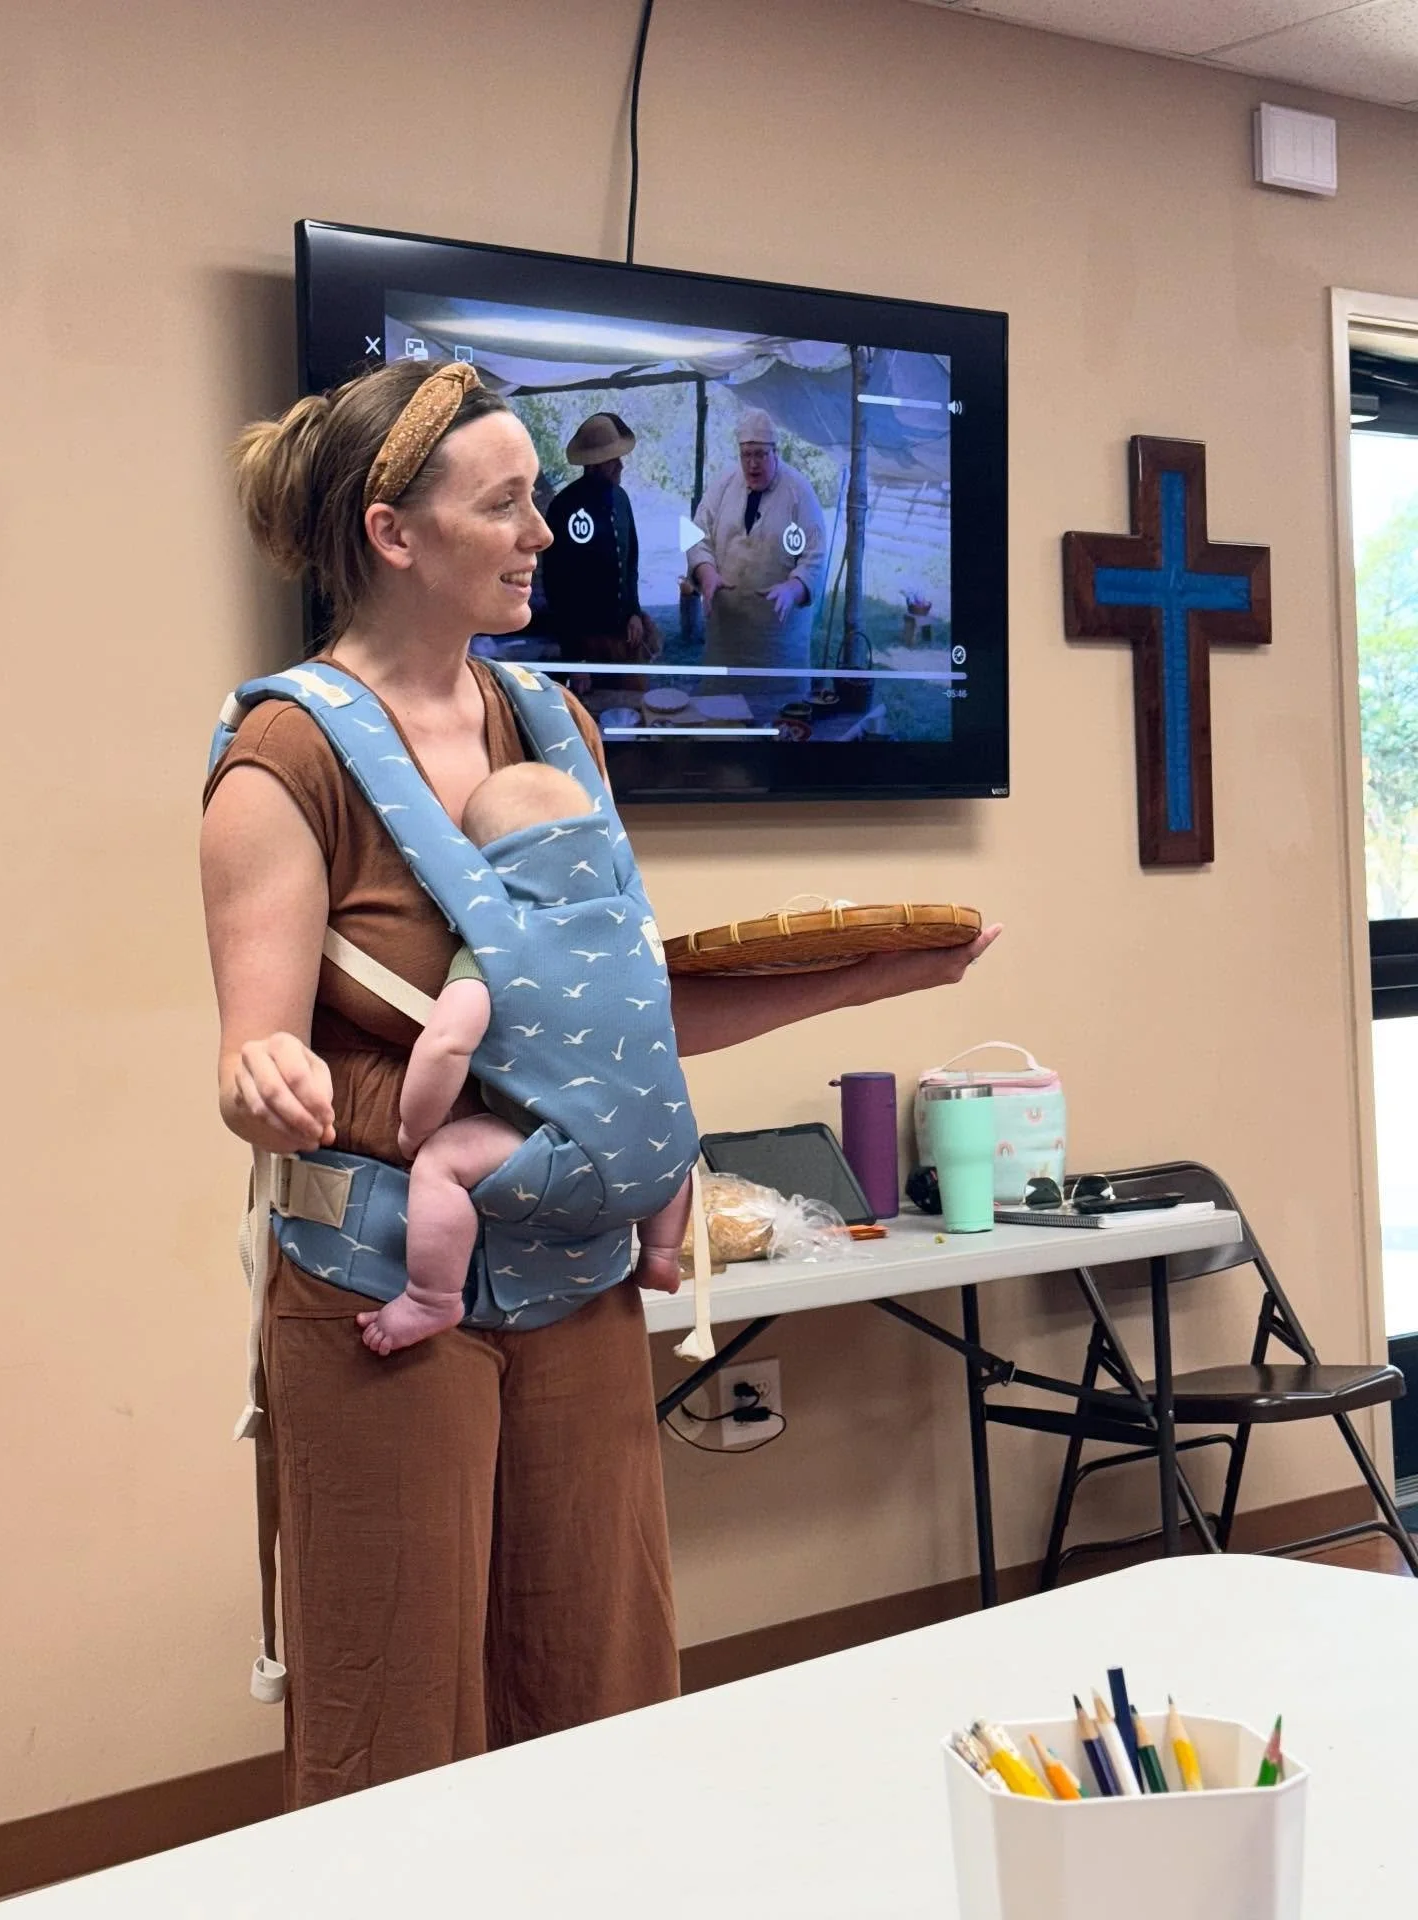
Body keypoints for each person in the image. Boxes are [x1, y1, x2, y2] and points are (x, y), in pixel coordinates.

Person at [201, 356, 1000, 1809]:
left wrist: (872, 982)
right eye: (507, 504)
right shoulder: (284, 758)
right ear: (394, 533)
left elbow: (611, 1029)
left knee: (603, 1692)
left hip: (570, 1276)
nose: (544, 533)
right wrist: (262, 1069)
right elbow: (261, 1062)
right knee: (398, 1727)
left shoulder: (555, 730)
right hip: (387, 1292)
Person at [359, 760, 692, 1358]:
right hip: (662, 1163)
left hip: (570, 1163)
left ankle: (432, 1298)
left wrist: (415, 1125)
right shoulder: (635, 926)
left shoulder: (500, 941)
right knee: (668, 1127)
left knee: (442, 1164)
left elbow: (447, 1043)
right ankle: (663, 1255)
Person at [686, 407, 828, 676]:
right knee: (721, 713)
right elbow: (695, 535)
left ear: (776, 453)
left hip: (779, 647)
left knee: (781, 716)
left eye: (761, 454)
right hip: (726, 644)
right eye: (746, 455)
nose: (753, 464)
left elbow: (815, 557)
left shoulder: (800, 492)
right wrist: (706, 574)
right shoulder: (723, 484)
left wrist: (792, 589)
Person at [541, 410, 659, 669]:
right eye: (612, 460)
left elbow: (630, 564)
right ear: (593, 464)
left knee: (633, 705)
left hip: (624, 636)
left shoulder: (621, 499)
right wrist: (576, 659)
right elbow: (558, 587)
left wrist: (634, 613)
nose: (620, 465)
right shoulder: (565, 507)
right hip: (586, 642)